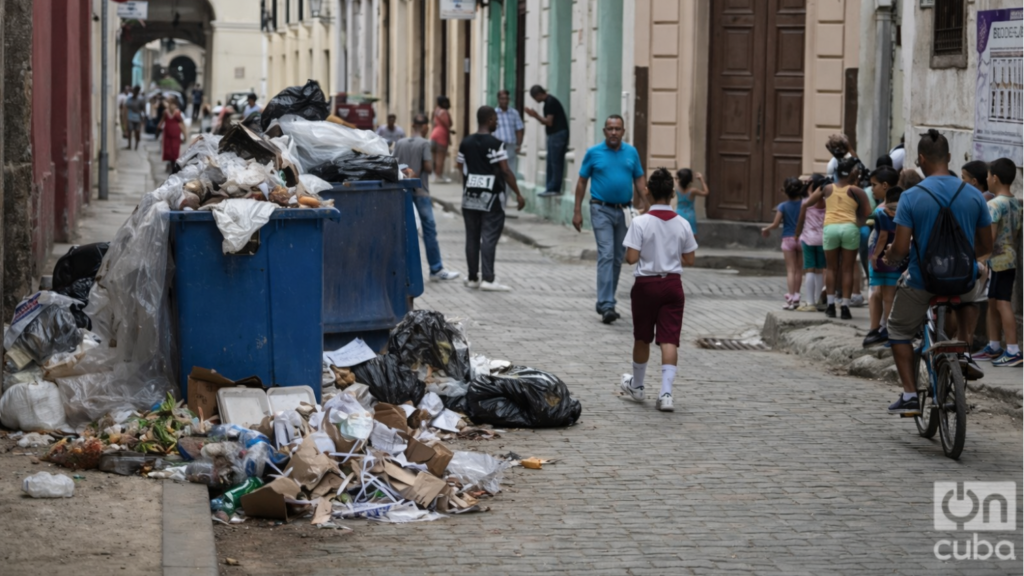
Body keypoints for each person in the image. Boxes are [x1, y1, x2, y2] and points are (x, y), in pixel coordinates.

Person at [881, 129, 993, 415]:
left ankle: (908, 394)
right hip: (963, 279)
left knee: (897, 329)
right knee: (973, 289)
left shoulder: (911, 197)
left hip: (923, 281)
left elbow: (902, 248)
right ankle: (963, 348)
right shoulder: (974, 195)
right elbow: (985, 244)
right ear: (950, 157)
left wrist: (889, 256)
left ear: (920, 159)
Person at [619, 168, 698, 412]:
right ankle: (666, 394)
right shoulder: (682, 223)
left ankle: (639, 386)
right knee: (669, 339)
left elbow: (631, 258)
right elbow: (690, 259)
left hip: (646, 285)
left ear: (647, 191)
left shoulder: (640, 222)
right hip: (673, 285)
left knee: (642, 336)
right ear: (672, 194)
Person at [572, 115, 648, 324]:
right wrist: (577, 210)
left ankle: (607, 302)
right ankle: (607, 304)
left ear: (624, 131)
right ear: (604, 131)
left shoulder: (631, 153)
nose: (614, 132)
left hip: (624, 211)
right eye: (610, 129)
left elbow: (639, 178)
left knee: (617, 257)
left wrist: (647, 202)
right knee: (606, 253)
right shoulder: (593, 153)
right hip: (601, 209)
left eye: (618, 129)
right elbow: (581, 181)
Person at [455, 106, 526, 292]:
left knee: (472, 237)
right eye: (495, 119)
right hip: (491, 198)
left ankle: (472, 278)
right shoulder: (496, 144)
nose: (497, 122)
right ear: (488, 120)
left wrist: (470, 183)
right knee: (488, 237)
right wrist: (518, 193)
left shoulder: (466, 142)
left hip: (470, 197)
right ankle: (488, 278)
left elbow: (459, 166)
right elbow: (505, 170)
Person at [803, 156, 871, 319]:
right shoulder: (857, 191)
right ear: (852, 174)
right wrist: (857, 222)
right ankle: (846, 308)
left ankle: (831, 306)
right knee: (847, 268)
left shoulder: (826, 188)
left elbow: (808, 203)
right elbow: (869, 214)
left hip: (831, 228)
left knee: (831, 268)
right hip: (849, 228)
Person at [394, 113, 460, 282]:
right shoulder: (424, 143)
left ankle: (401, 269)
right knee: (429, 230)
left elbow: (392, 164)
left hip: (401, 191)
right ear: (425, 127)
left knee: (403, 230)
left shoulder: (400, 143)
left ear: (412, 125)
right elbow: (429, 167)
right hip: (420, 191)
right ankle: (436, 268)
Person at [974, 158, 1022, 367]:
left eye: (987, 175)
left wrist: (979, 256)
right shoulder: (1015, 203)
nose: (986, 179)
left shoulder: (994, 205)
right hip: (1008, 258)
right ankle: (994, 346)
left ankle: (1013, 349)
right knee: (993, 301)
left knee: (1002, 303)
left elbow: (989, 238)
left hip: (999, 260)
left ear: (994, 178)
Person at [862, 166, 901, 346]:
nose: (872, 189)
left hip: (881, 257)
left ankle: (879, 329)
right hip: (895, 256)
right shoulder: (901, 207)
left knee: (879, 292)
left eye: (874, 185)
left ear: (885, 186)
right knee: (888, 294)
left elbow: (883, 235)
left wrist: (874, 256)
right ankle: (887, 328)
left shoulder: (881, 211)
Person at [761, 178, 806, 310]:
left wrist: (765, 229)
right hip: (802, 238)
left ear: (786, 192)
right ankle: (797, 296)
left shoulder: (782, 206)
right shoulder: (805, 204)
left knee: (790, 270)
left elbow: (775, 224)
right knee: (799, 270)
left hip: (787, 239)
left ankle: (790, 297)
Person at [526, 85, 570, 197]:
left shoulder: (550, 102)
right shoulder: (549, 102)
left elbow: (549, 122)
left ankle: (554, 188)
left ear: (539, 95)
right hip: (554, 134)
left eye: (535, 98)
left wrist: (535, 115)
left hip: (557, 134)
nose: (536, 101)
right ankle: (550, 187)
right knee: (551, 161)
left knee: (555, 162)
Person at [795, 174, 828, 311]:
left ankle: (810, 302)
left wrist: (796, 234)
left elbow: (801, 220)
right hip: (823, 239)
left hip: (808, 239)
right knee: (820, 270)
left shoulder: (806, 203)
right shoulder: (826, 202)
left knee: (810, 269)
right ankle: (819, 300)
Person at [495, 90, 525, 179]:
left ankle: (508, 192)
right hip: (498, 146)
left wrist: (519, 144)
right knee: (499, 169)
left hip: (511, 146)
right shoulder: (493, 113)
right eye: (502, 99)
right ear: (498, 100)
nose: (504, 101)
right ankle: (500, 190)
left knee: (510, 170)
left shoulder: (514, 113)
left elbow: (519, 129)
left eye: (506, 99)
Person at [674, 169, 709, 238]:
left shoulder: (677, 188)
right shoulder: (693, 190)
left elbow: (675, 179)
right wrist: (701, 179)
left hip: (678, 214)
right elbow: (706, 192)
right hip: (690, 215)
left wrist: (676, 177)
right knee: (692, 236)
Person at [158, 97, 186, 173]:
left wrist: (184, 135)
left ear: (175, 105)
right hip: (167, 134)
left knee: (175, 150)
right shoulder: (165, 112)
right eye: (169, 103)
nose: (170, 106)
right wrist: (158, 128)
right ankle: (170, 164)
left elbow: (182, 124)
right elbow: (162, 121)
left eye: (172, 104)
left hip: (176, 135)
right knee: (168, 150)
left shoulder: (177, 113)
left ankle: (173, 165)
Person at [431, 96, 453, 183]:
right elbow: (448, 124)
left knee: (434, 157)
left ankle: (436, 175)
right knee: (441, 157)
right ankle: (438, 175)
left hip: (434, 134)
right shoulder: (444, 112)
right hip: (442, 136)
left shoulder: (436, 110)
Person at [124, 86, 145, 151]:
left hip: (138, 117)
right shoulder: (129, 99)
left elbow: (143, 109)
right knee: (130, 131)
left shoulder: (140, 99)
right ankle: (129, 145)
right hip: (130, 116)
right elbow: (126, 107)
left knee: (137, 132)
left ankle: (136, 145)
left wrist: (143, 118)